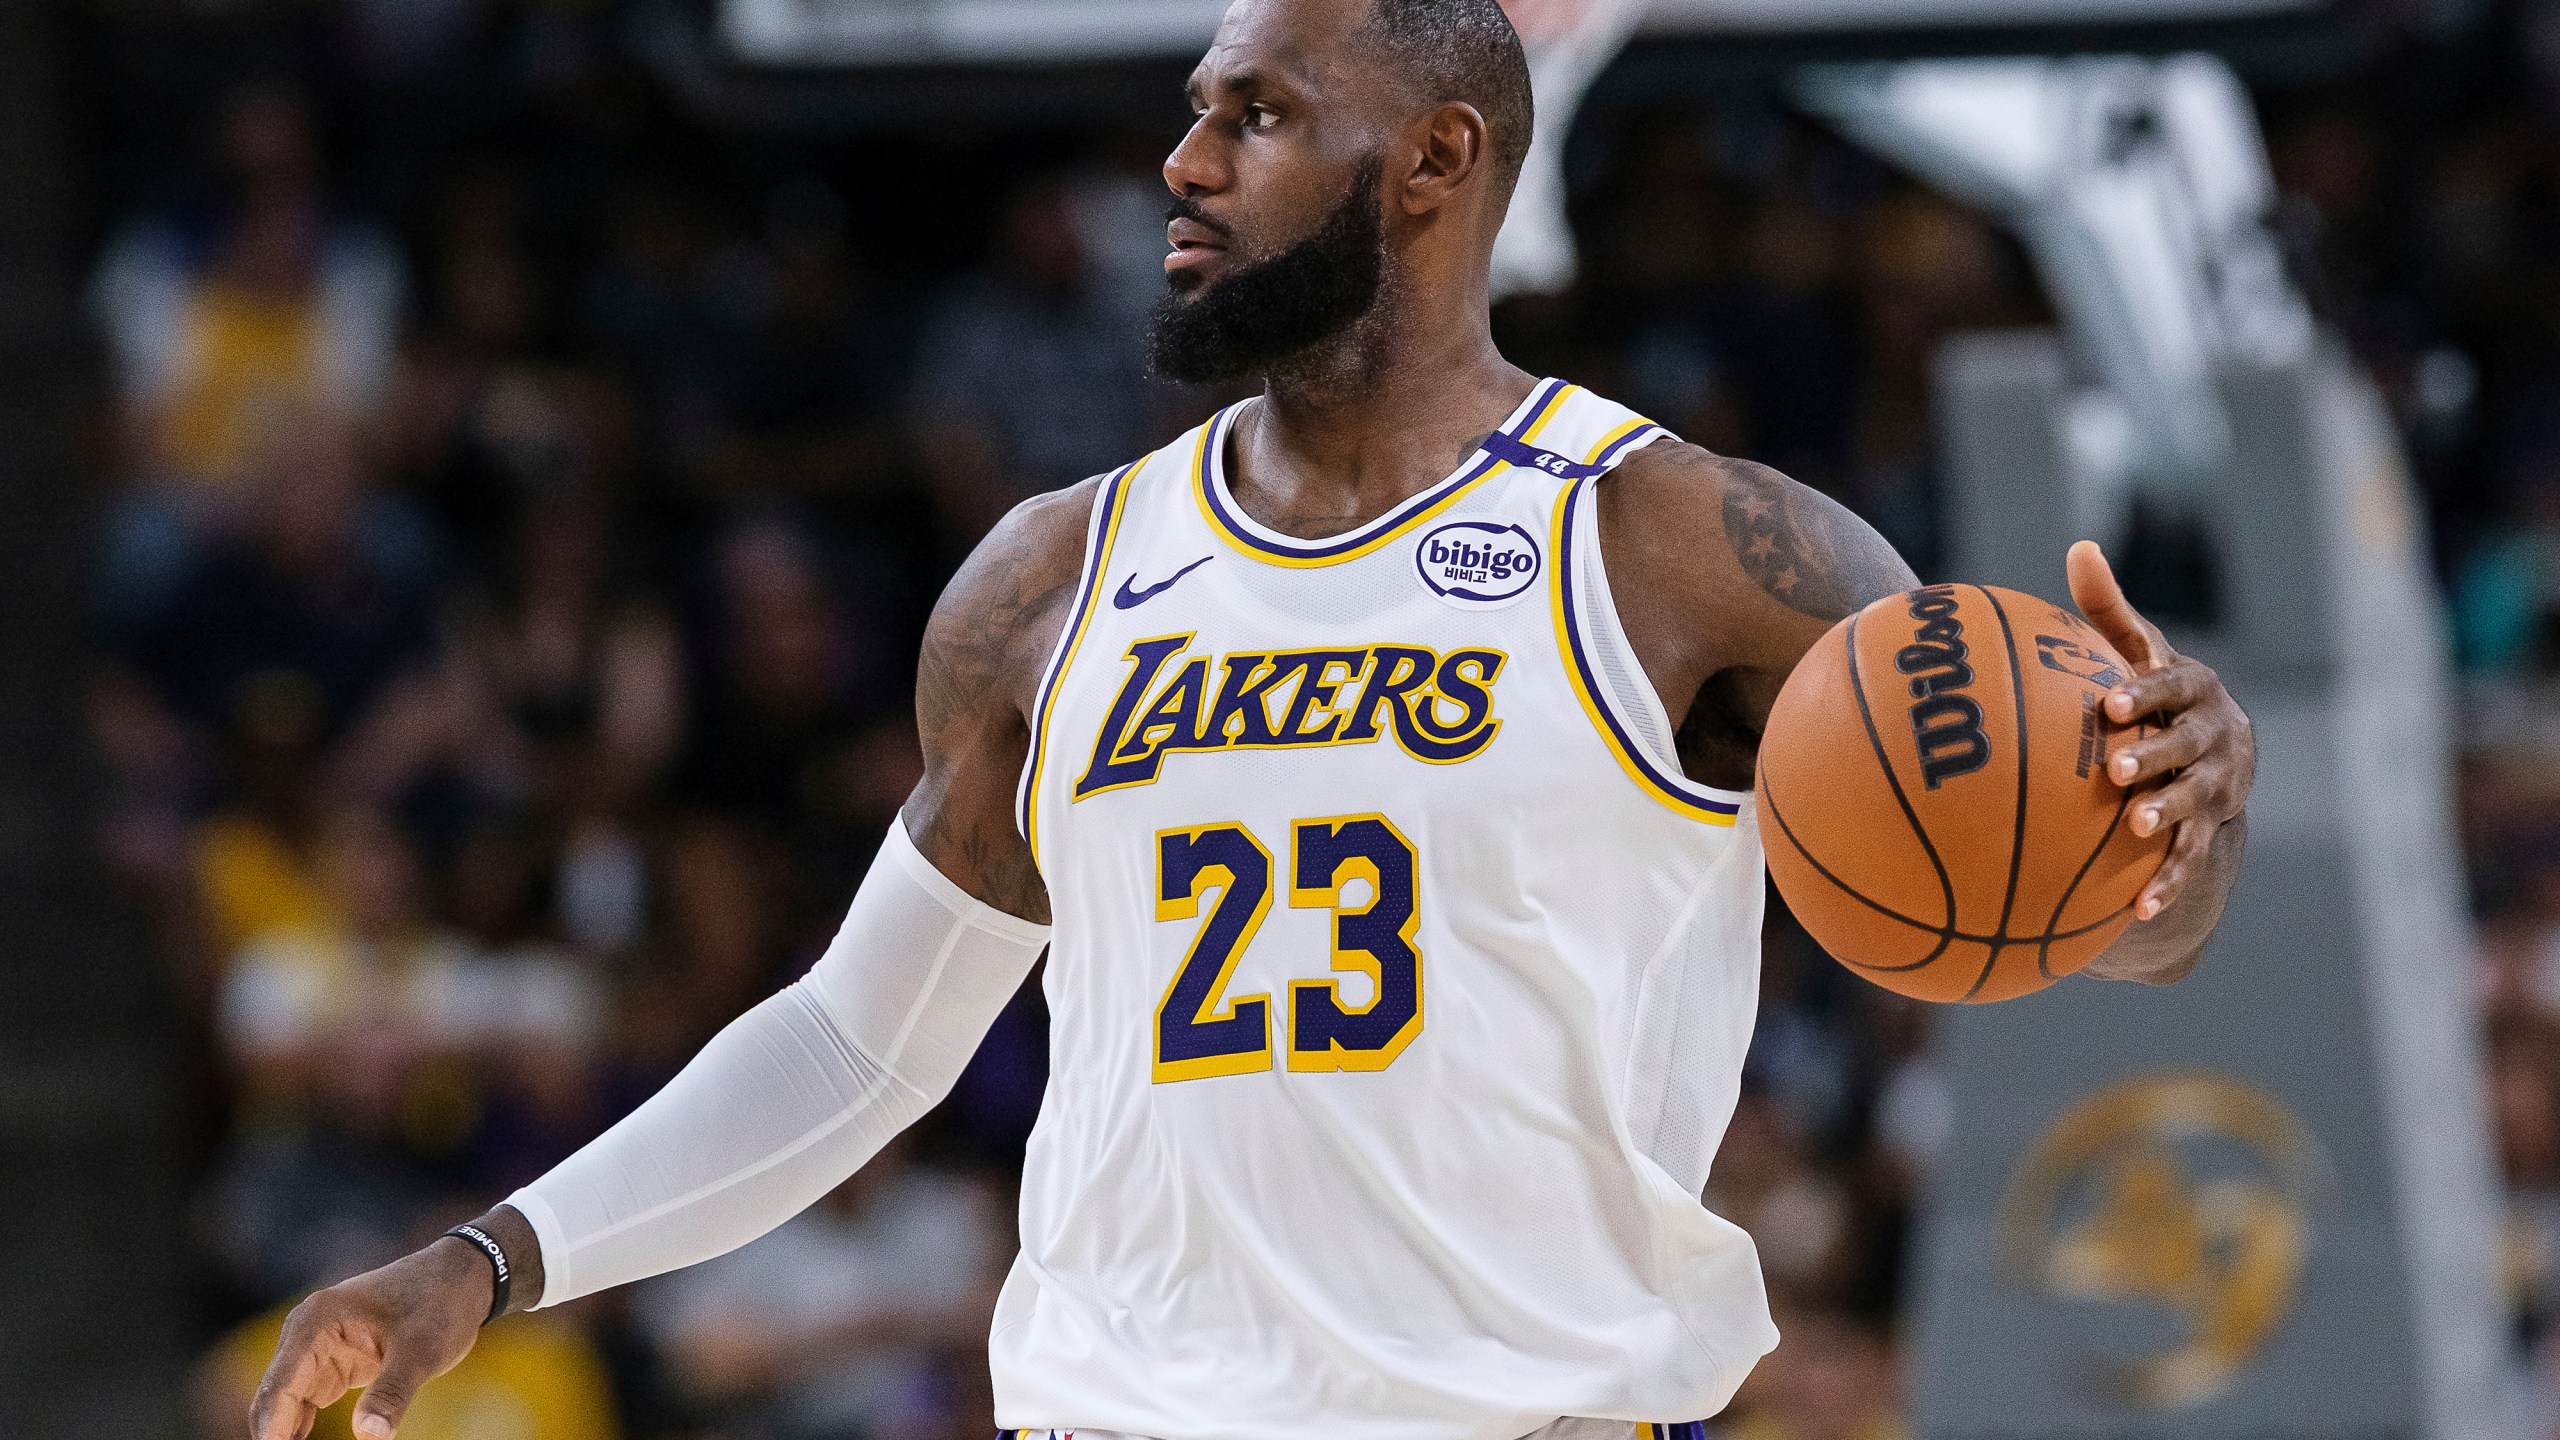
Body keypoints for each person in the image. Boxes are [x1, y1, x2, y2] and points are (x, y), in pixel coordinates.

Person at [249, 1, 2257, 1437]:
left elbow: (2072, 891)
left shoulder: (1685, 544)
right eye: (1195, 109)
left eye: (1258, 113)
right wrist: (489, 1262)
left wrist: (2179, 819)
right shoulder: (1047, 578)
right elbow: (861, 1040)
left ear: (1439, 161)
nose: (1181, 159)